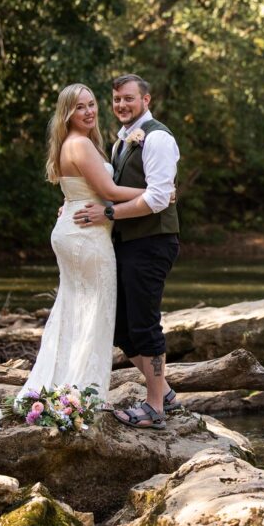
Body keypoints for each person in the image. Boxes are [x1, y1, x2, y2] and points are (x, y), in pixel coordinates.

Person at [0, 83, 146, 432]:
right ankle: (79, 397)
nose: (89, 112)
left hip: (77, 230)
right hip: (86, 236)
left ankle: (64, 392)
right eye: (80, 107)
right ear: (67, 113)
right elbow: (108, 192)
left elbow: (88, 188)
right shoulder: (78, 144)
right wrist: (156, 194)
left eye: (92, 105)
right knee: (92, 314)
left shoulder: (76, 143)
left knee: (73, 312)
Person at [73, 73, 180, 430]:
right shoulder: (122, 141)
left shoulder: (158, 138)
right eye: (117, 99)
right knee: (121, 327)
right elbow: (116, 189)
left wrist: (107, 213)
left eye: (129, 99)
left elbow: (157, 198)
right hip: (127, 244)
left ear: (146, 101)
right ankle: (163, 392)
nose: (122, 105)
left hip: (152, 243)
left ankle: (154, 408)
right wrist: (76, 203)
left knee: (145, 324)